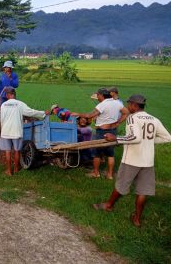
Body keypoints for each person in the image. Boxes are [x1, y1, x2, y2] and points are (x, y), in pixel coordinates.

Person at [93, 94, 171, 227]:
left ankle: (109, 205)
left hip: (132, 160)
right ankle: (137, 218)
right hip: (148, 162)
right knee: (143, 190)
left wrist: (116, 138)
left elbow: (135, 138)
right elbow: (167, 137)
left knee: (121, 185)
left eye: (129, 104)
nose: (128, 107)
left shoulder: (132, 118)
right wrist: (150, 142)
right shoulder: (154, 119)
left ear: (134, 105)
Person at [71, 88, 129, 179]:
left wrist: (77, 114)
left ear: (102, 95)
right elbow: (126, 113)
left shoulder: (102, 104)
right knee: (110, 153)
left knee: (96, 153)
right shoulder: (117, 103)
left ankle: (96, 173)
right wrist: (118, 122)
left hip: (102, 132)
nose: (97, 97)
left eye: (98, 95)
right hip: (113, 131)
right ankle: (109, 175)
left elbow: (89, 115)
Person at [0, 86, 47, 176]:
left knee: (8, 151)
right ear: (14, 94)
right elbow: (30, 112)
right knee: (17, 151)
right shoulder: (19, 104)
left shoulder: (3, 105)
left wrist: (3, 130)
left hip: (5, 132)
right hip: (16, 131)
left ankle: (9, 171)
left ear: (7, 95)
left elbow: (2, 119)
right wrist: (43, 113)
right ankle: (16, 169)